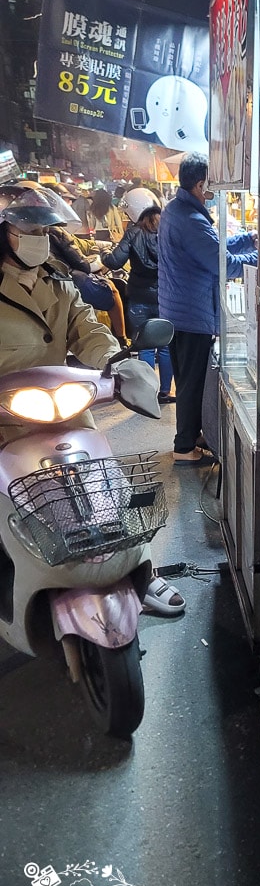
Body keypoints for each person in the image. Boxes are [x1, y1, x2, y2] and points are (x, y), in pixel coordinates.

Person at [0, 187, 183, 615]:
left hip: (59, 407)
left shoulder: (59, 282)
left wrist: (118, 361)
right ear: (5, 232)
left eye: (45, 229)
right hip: (6, 416)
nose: (38, 237)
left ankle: (140, 569)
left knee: (104, 485)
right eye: (27, 228)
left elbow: (87, 328)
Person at [157, 153, 258, 466]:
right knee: (191, 384)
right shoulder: (190, 220)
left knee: (191, 380)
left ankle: (193, 435)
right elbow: (222, 263)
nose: (216, 192)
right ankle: (184, 446)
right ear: (201, 185)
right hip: (191, 314)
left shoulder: (179, 210)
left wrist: (248, 239)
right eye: (213, 185)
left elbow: (215, 246)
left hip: (181, 311)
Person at [101, 187, 174, 402]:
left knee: (145, 347)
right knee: (166, 347)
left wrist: (104, 252)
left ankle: (147, 393)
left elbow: (114, 261)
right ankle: (165, 392)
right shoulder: (169, 229)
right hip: (165, 297)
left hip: (139, 298)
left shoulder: (133, 232)